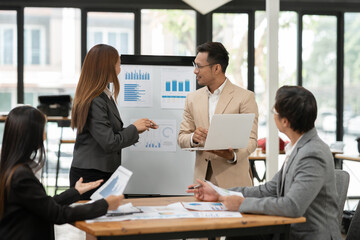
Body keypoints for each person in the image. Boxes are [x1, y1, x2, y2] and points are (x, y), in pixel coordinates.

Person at [187, 86, 342, 240]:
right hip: (289, 230)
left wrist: (241, 204)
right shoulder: (298, 147)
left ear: (285, 122)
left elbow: (292, 206)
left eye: (275, 111)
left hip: (308, 235)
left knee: (239, 235)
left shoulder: (312, 153)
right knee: (238, 234)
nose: (272, 115)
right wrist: (219, 192)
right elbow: (270, 189)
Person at [0, 106, 124, 240]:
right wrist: (104, 205)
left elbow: (44, 205)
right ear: (30, 135)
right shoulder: (21, 176)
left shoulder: (10, 169)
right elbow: (57, 214)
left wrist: (76, 191)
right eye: (42, 130)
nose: (44, 136)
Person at [70, 44, 158, 199]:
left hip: (99, 172)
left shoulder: (102, 95)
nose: (120, 68)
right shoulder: (95, 99)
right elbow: (109, 142)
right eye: (118, 63)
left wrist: (136, 128)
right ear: (107, 67)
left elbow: (110, 135)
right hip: (91, 175)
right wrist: (134, 128)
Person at [178, 42, 258, 188]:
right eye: (194, 65)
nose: (195, 71)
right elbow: (182, 137)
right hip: (202, 182)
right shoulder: (192, 99)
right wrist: (192, 138)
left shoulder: (245, 97)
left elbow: (251, 140)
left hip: (234, 183)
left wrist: (232, 155)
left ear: (216, 68)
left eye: (199, 66)